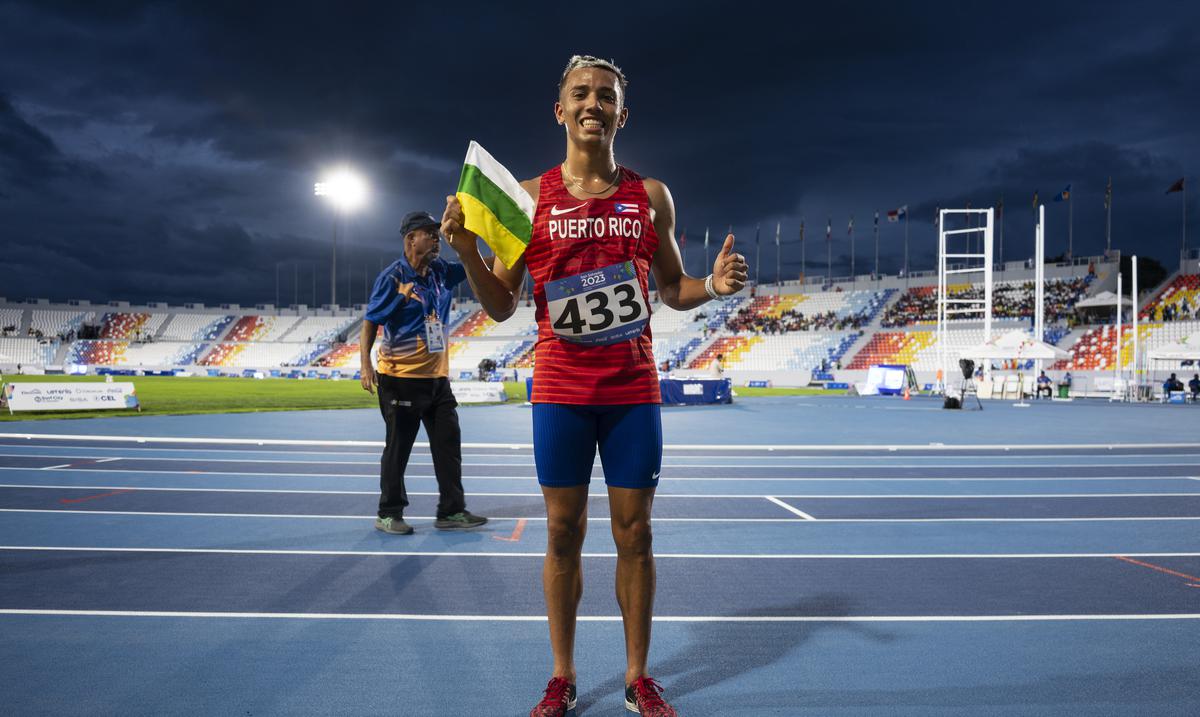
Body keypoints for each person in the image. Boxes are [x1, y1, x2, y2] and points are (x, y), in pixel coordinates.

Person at [443, 55, 748, 717]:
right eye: (580, 94)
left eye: (604, 96)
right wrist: (468, 252)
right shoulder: (529, 197)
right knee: (561, 533)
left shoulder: (652, 196)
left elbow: (672, 287)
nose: (592, 104)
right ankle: (563, 675)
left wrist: (712, 288)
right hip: (560, 389)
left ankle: (639, 677)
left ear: (621, 113)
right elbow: (502, 304)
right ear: (560, 110)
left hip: (632, 390)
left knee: (635, 534)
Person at [359, 210, 488, 535]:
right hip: (400, 381)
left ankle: (451, 510)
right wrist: (365, 364)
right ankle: (388, 512)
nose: (435, 238)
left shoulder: (440, 272)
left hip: (437, 381)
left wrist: (494, 241)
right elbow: (371, 321)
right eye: (429, 233)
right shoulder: (392, 277)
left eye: (436, 233)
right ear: (410, 239)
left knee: (448, 446)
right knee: (397, 450)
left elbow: (475, 264)